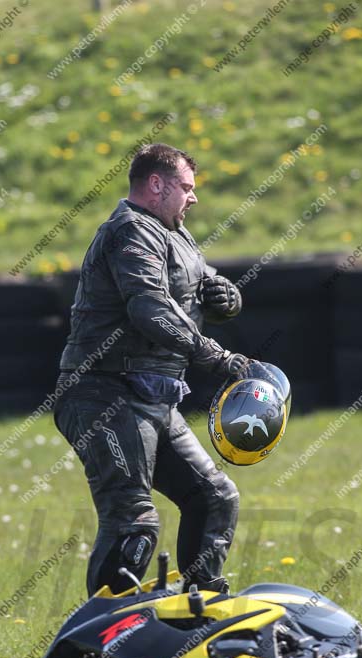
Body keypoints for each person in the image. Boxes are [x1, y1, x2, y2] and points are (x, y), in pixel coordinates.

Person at [53, 143, 249, 597]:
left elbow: (201, 285)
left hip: (154, 400)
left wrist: (228, 298)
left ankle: (200, 611)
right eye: (186, 187)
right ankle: (103, 636)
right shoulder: (130, 231)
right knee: (133, 522)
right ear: (156, 184)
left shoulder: (174, 233)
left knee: (215, 499)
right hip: (104, 394)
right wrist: (217, 357)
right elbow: (151, 310)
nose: (193, 197)